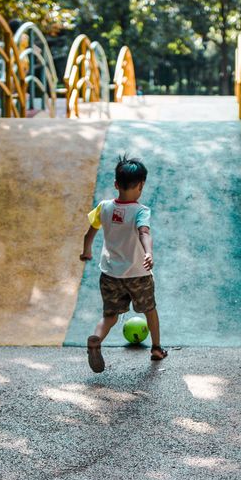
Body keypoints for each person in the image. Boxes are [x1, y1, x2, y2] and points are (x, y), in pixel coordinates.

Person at [80, 154, 167, 372]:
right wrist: (148, 253)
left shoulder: (104, 207)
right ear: (141, 185)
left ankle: (96, 339)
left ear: (116, 184)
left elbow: (88, 234)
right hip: (138, 274)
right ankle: (156, 348)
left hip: (110, 274)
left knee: (109, 316)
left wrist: (86, 252)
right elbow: (144, 232)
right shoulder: (141, 211)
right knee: (150, 310)